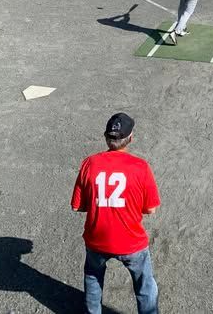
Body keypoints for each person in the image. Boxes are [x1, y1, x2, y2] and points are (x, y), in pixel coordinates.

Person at [71, 112, 160, 314]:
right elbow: (151, 209)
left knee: (93, 277)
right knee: (145, 285)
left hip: (97, 239)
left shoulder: (89, 163)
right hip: (131, 240)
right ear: (130, 138)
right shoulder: (141, 167)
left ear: (106, 137)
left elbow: (77, 206)